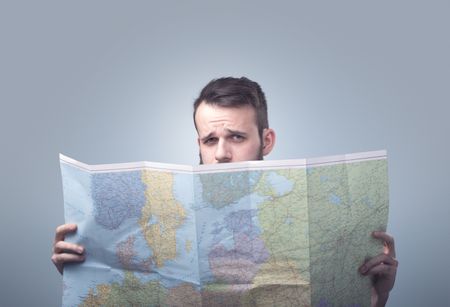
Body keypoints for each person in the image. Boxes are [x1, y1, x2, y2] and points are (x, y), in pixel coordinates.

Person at [52, 77, 398, 306]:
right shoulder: (163, 218)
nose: (220, 154)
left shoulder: (309, 212)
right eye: (210, 140)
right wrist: (85, 271)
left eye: (236, 137)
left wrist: (377, 296)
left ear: (266, 140)